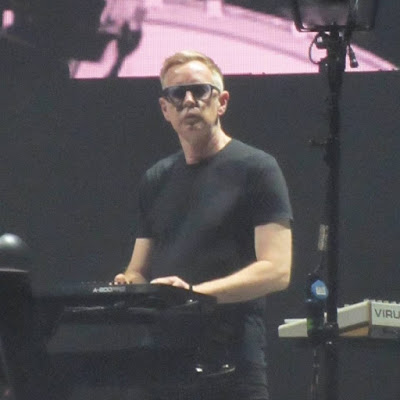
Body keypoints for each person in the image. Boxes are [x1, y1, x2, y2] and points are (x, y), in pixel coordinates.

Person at [114, 50, 293, 400]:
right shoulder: (156, 178)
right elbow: (137, 270)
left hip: (232, 363)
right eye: (177, 94)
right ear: (165, 109)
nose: (188, 101)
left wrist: (193, 295)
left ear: (221, 102)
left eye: (199, 91)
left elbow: (277, 270)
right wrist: (128, 285)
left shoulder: (257, 169)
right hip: (162, 359)